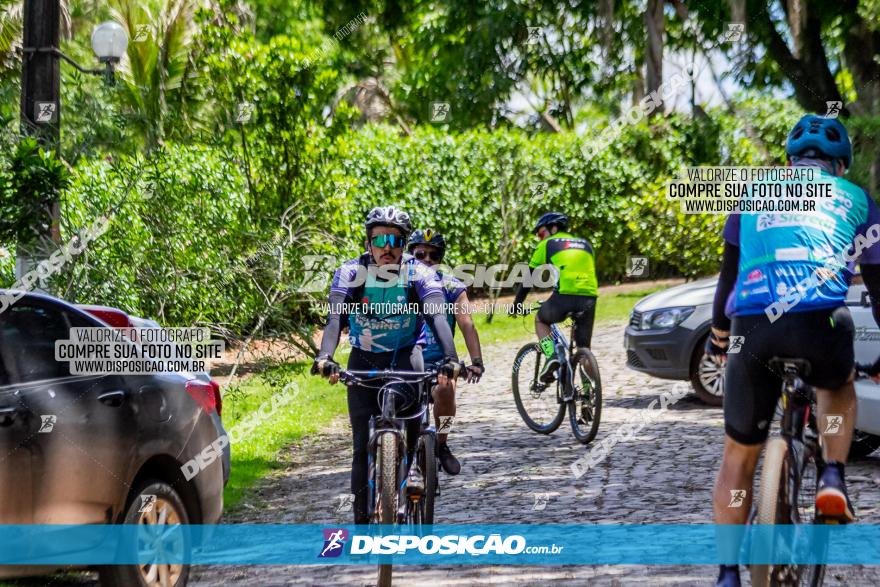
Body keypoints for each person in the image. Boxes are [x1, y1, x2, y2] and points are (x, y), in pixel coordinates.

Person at [709, 114, 880, 587]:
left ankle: (727, 572)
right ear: (840, 166)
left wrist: (720, 340)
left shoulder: (751, 196)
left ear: (789, 162)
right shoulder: (858, 200)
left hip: (752, 328)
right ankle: (832, 478)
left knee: (738, 457)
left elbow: (727, 283)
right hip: (821, 323)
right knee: (836, 386)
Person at [312, 206, 462, 524]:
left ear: (404, 244)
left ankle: (417, 471)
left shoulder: (420, 274)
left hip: (407, 358)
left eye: (395, 240)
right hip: (363, 361)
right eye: (380, 240)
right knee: (358, 447)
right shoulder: (350, 273)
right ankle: (362, 527)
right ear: (369, 244)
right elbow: (335, 319)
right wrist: (325, 356)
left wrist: (451, 357)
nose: (387, 247)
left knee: (414, 424)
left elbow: (437, 315)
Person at [408, 228, 485, 476]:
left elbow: (466, 323)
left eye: (434, 255)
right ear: (410, 255)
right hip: (405, 361)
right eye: (421, 254)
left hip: (440, 363)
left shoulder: (451, 285)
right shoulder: (397, 283)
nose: (427, 260)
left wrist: (476, 361)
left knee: (446, 390)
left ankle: (442, 444)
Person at [510, 212, 599, 382]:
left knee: (541, 320)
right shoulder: (586, 244)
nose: (539, 238)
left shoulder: (547, 244)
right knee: (584, 349)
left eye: (541, 233)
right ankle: (589, 396)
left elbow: (528, 279)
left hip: (565, 296)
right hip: (589, 296)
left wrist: (517, 304)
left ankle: (551, 356)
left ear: (554, 228)